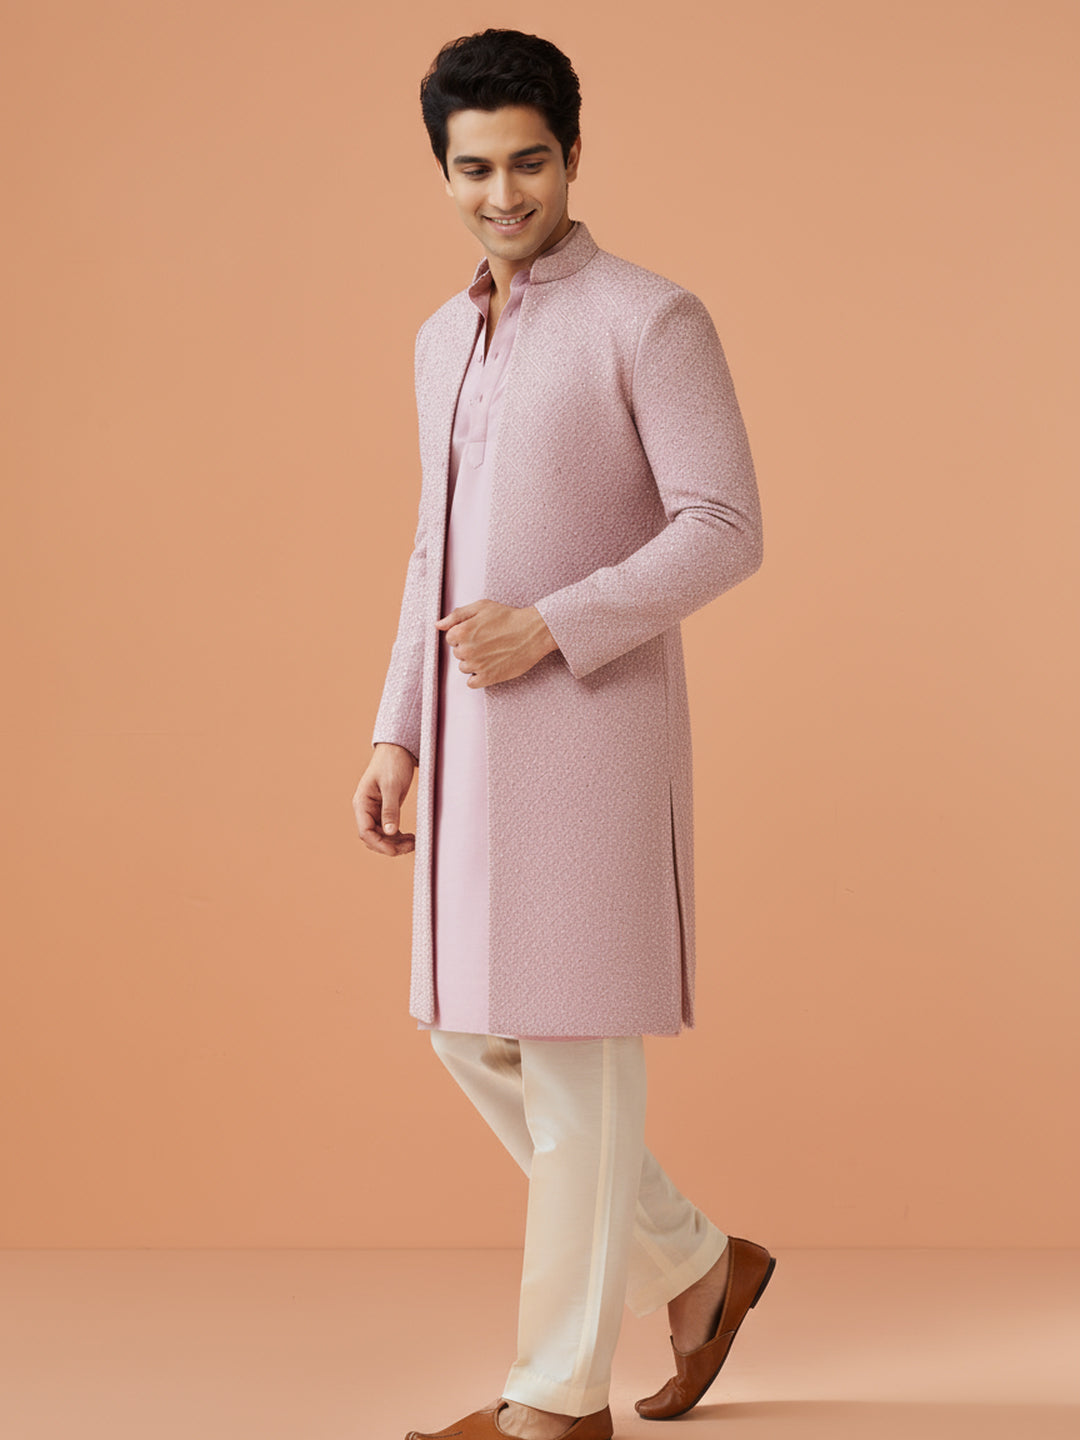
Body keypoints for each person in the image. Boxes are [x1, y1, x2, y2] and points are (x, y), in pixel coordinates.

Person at [353, 28, 773, 1440]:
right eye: (474, 169)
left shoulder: (651, 319)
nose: (503, 194)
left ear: (574, 154)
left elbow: (725, 526)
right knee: (470, 1031)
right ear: (442, 171)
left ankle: (555, 1398)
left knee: (578, 1063)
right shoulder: (440, 338)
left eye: (528, 161)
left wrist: (554, 623)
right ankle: (699, 1266)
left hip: (591, 734)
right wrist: (397, 730)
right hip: (472, 746)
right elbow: (433, 550)